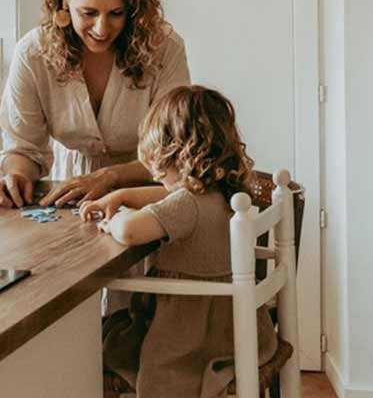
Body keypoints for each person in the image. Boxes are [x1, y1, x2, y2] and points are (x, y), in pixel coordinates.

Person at [82, 86, 278, 398]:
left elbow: (131, 231)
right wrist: (120, 194)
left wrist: (112, 220)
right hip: (237, 330)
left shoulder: (186, 206)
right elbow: (169, 196)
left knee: (109, 342)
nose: (157, 177)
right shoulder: (222, 191)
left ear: (176, 154)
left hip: (192, 340)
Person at [0, 0, 190, 208]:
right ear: (64, 3)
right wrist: (16, 176)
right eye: (88, 13)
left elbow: (175, 152)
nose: (101, 29)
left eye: (116, 13)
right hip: (69, 196)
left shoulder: (165, 49)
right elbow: (23, 147)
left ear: (133, 10)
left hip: (149, 195)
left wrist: (110, 177)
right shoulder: (32, 54)